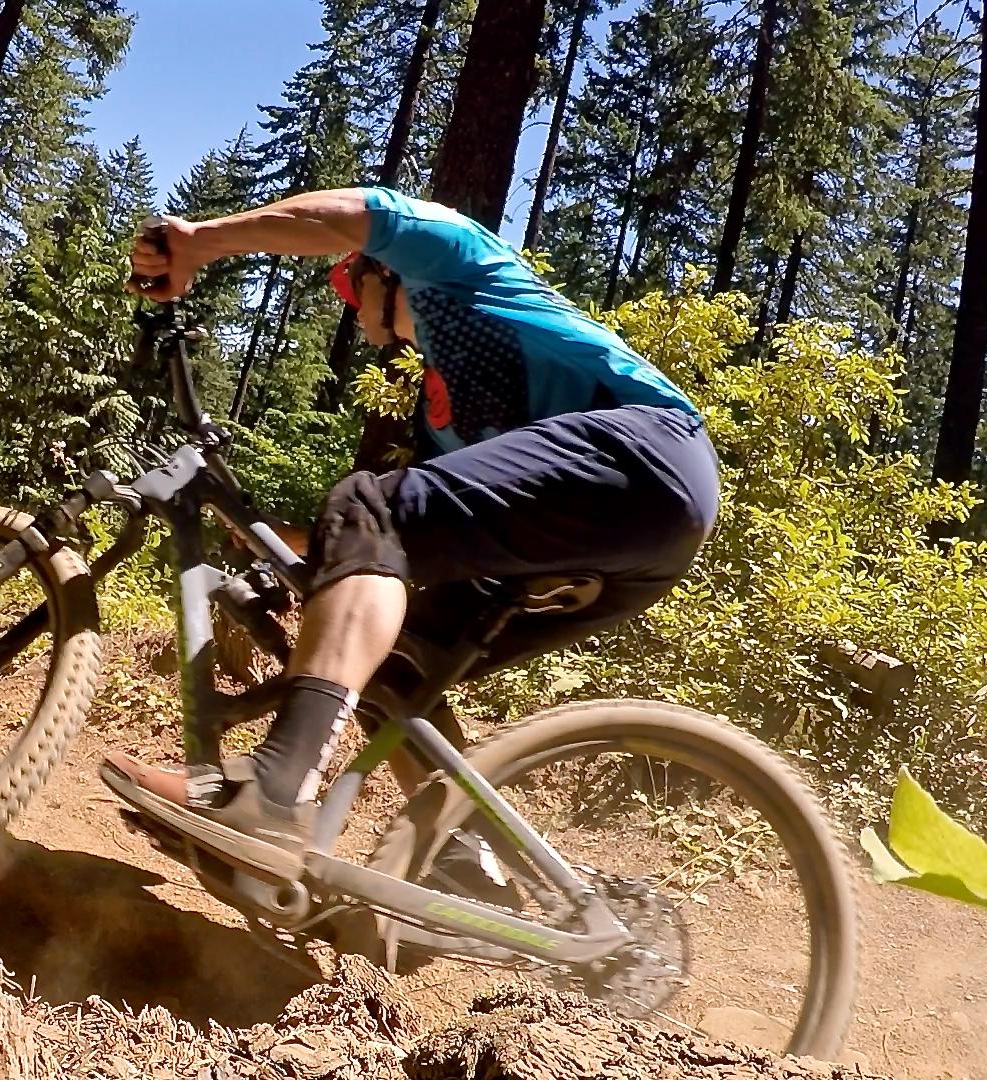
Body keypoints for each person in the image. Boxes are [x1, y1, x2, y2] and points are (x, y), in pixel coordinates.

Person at [102, 186, 719, 883]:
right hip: (633, 540)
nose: (355, 312)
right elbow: (400, 536)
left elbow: (345, 215)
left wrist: (201, 240)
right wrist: (291, 539)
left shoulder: (461, 264)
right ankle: (469, 873)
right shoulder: (440, 414)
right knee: (393, 667)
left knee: (366, 504)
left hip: (650, 452)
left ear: (384, 273)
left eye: (353, 287)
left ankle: (276, 790)